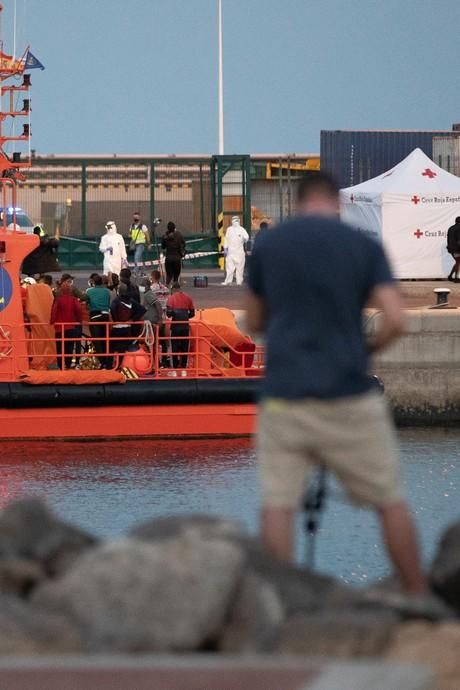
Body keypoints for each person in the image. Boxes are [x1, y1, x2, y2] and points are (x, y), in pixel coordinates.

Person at [246, 171, 427, 595]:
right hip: (348, 394)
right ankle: (420, 597)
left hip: (284, 396)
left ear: (297, 205)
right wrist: (363, 351)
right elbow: (396, 318)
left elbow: (254, 321)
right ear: (337, 204)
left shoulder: (271, 245)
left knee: (278, 505)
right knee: (389, 500)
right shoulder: (363, 246)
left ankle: (279, 606)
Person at [50, 282, 83, 369]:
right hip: (71, 327)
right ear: (70, 290)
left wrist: (52, 321)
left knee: (60, 348)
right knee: (69, 347)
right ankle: (68, 364)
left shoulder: (58, 300)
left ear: (61, 290)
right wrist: (80, 321)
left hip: (59, 328)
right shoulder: (73, 299)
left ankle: (61, 366)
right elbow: (79, 310)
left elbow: (54, 311)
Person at [110, 283, 146, 359]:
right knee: (124, 349)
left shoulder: (116, 301)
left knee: (111, 348)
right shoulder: (131, 300)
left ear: (118, 291)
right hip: (127, 329)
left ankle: (111, 366)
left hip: (116, 329)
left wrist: (115, 320)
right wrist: (132, 320)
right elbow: (143, 309)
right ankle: (122, 365)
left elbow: (113, 310)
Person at [166, 282, 195, 372]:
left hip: (175, 326)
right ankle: (183, 369)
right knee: (185, 348)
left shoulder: (171, 298)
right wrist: (185, 317)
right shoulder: (188, 298)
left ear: (173, 289)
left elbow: (169, 314)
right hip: (185, 326)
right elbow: (193, 313)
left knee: (174, 348)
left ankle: (174, 369)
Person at [86, 274, 112, 368]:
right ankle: (108, 361)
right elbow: (109, 303)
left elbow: (86, 303)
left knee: (97, 341)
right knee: (106, 339)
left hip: (95, 317)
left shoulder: (89, 291)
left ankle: (102, 362)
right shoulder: (107, 291)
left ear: (93, 282)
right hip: (105, 316)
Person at [222, 216, 249, 286]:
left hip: (239, 252)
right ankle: (228, 281)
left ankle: (239, 281)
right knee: (229, 268)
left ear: (239, 221)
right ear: (232, 221)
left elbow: (247, 237)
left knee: (240, 268)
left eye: (237, 220)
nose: (235, 222)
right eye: (234, 220)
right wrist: (225, 248)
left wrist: (244, 237)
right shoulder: (229, 229)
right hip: (230, 252)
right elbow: (226, 239)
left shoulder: (242, 229)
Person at [161, 221, 185, 285]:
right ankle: (175, 287)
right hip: (177, 258)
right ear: (175, 228)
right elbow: (183, 244)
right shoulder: (179, 235)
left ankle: (167, 287)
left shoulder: (165, 237)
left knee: (169, 275)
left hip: (168, 258)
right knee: (176, 276)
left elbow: (163, 247)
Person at [128, 211, 150, 275]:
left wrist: (149, 244)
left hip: (141, 244)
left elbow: (147, 235)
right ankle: (143, 271)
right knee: (139, 258)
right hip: (134, 244)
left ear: (139, 218)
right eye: (134, 217)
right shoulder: (131, 226)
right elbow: (130, 234)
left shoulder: (143, 226)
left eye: (136, 217)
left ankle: (135, 270)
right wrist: (130, 235)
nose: (135, 218)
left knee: (137, 256)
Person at [447, 216, 460, 282]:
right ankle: (456, 278)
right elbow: (459, 240)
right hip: (457, 249)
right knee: (458, 262)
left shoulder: (450, 228)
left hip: (451, 249)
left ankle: (450, 276)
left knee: (457, 262)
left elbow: (448, 239)